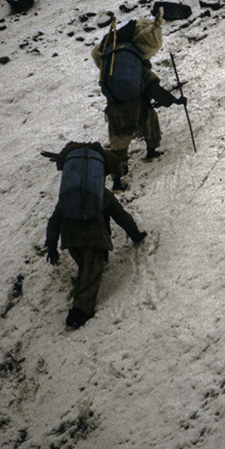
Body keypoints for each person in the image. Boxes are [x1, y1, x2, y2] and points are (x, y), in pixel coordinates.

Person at [45, 141, 147, 328]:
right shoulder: (103, 195)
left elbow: (54, 222)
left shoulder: (68, 196)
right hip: (94, 239)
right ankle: (80, 311)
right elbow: (121, 217)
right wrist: (135, 234)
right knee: (92, 275)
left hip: (71, 238)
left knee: (85, 265)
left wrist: (52, 246)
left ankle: (82, 286)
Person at [91, 13, 186, 190]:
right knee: (150, 122)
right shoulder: (139, 69)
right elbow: (155, 89)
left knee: (118, 143)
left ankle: (117, 180)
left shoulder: (111, 59)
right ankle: (151, 151)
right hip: (137, 106)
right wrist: (175, 100)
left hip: (115, 108)